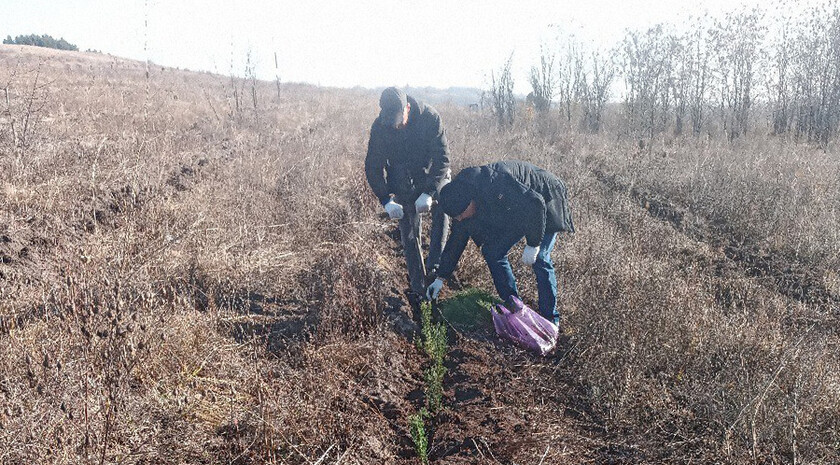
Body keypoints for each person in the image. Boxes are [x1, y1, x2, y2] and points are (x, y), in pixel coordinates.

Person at [426, 160, 574, 325]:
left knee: (541, 258)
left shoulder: (496, 182)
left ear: (470, 202)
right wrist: (441, 277)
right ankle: (514, 306)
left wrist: (533, 243)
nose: (459, 219)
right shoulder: (460, 198)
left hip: (544, 198)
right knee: (492, 251)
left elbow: (535, 203)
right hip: (515, 209)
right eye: (456, 217)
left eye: (461, 214)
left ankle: (550, 320)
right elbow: (456, 241)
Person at [365, 87, 452, 302]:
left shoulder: (429, 118)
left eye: (398, 118)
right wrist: (385, 199)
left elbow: (442, 159)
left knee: (445, 206)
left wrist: (430, 192)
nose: (395, 124)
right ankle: (418, 287)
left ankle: (436, 267)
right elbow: (373, 166)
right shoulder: (380, 127)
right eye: (389, 119)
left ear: (408, 108)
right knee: (409, 228)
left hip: (433, 173)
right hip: (402, 177)